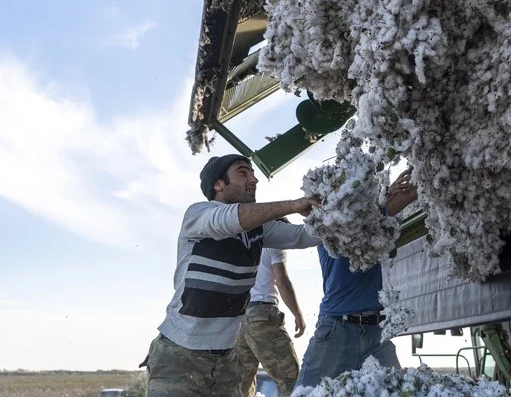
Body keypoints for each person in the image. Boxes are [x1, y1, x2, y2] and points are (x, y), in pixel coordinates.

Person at [141, 154, 321, 397]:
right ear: (218, 184)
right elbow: (226, 220)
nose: (254, 179)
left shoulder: (259, 229)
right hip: (180, 359)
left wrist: (335, 213)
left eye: (254, 174)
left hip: (226, 363)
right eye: (243, 172)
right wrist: (292, 205)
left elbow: (304, 236)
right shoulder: (199, 214)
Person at [295, 169, 418, 388]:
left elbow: (410, 192)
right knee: (308, 392)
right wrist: (385, 197)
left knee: (400, 390)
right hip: (337, 331)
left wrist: (393, 192)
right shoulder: (327, 227)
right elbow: (359, 220)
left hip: (376, 331)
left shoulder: (375, 218)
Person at [234, 217, 305, 397]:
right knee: (292, 380)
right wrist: (297, 314)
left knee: (240, 383)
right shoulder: (274, 244)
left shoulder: (248, 243)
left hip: (240, 318)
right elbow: (282, 281)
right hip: (261, 316)